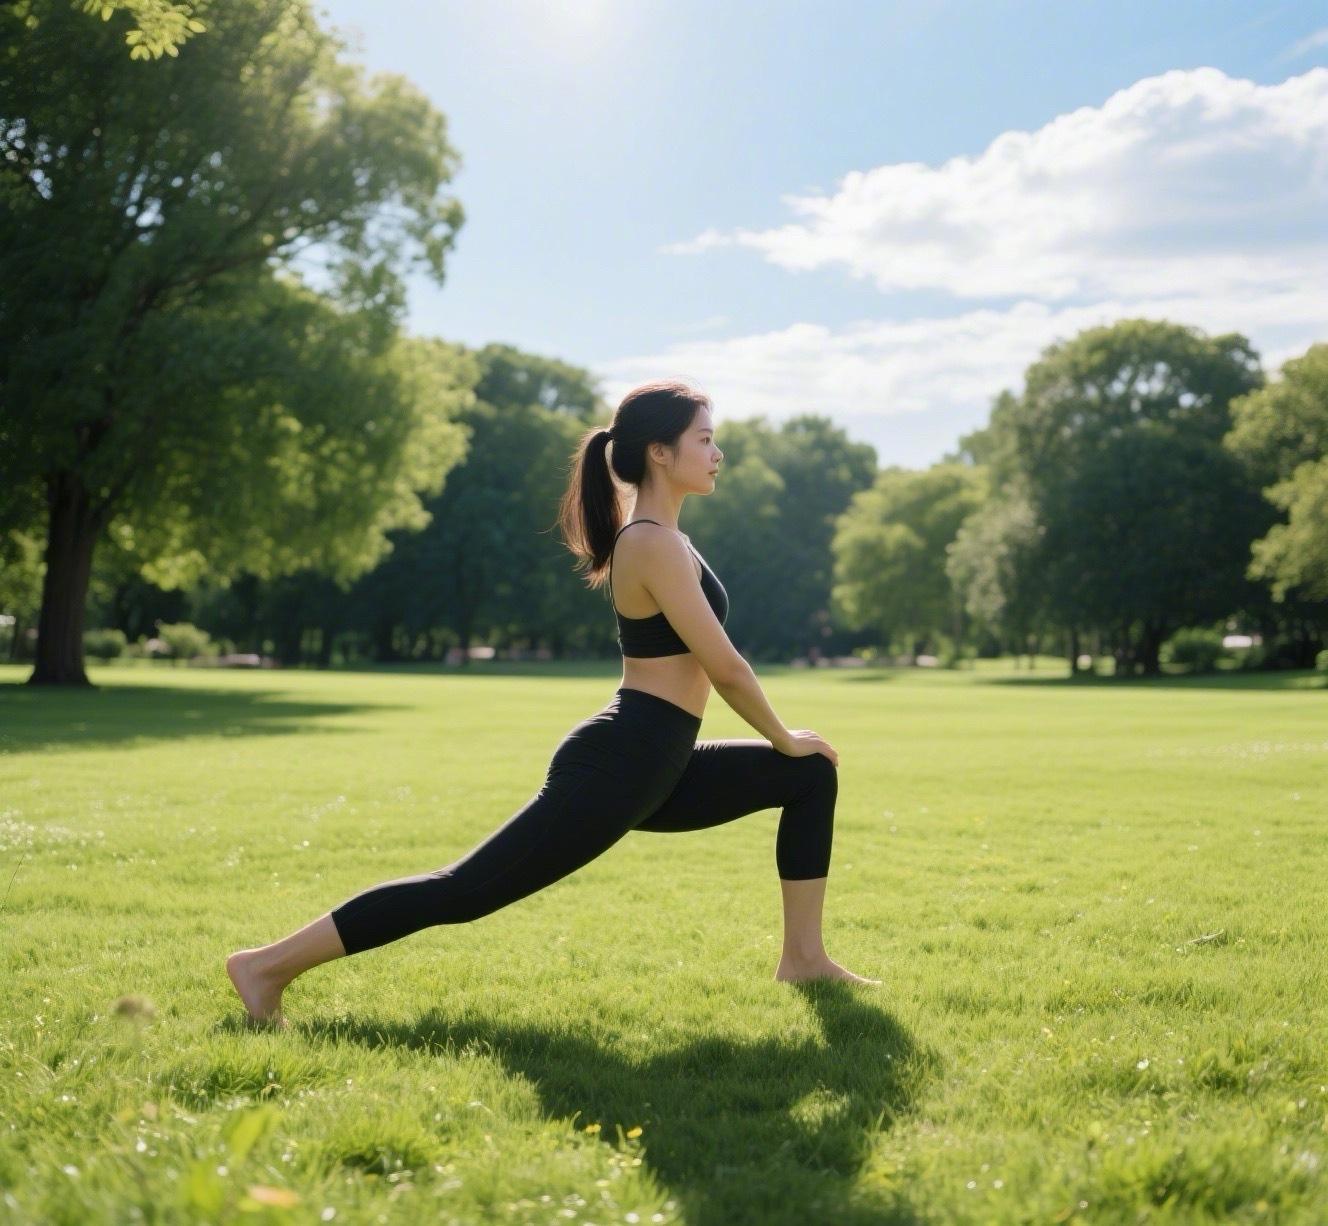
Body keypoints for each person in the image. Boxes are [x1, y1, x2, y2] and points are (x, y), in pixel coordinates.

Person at [226, 379, 878, 1027]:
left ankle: (803, 956)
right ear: (659, 451)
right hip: (622, 762)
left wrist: (793, 749)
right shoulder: (648, 541)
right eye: (704, 440)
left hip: (662, 761)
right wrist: (782, 734)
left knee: (809, 776)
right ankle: (264, 967)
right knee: (464, 891)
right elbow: (727, 670)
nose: (718, 453)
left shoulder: (668, 539)